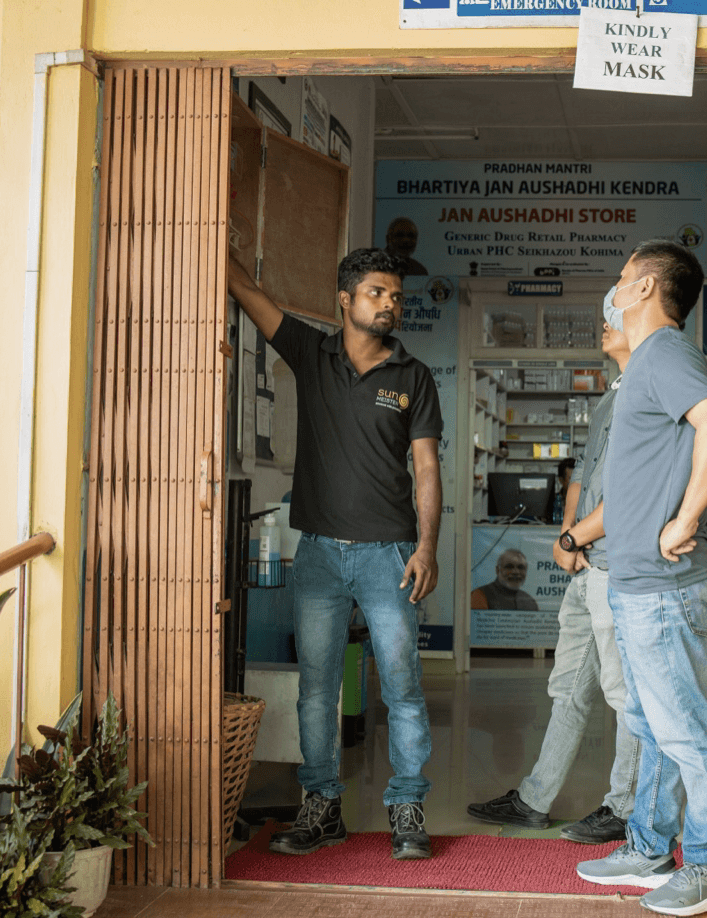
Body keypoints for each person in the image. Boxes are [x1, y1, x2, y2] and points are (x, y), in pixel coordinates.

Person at [226, 247, 442, 861]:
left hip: (391, 555)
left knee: (402, 687)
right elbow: (244, 287)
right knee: (317, 690)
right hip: (319, 554)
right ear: (344, 299)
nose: (390, 304)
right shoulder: (309, 352)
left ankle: (406, 807)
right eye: (377, 292)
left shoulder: (414, 376)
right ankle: (321, 808)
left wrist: (427, 546)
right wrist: (213, 221)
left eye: (396, 295)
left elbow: (426, 468)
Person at [575, 240, 707, 915]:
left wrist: (687, 521)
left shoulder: (667, 350)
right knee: (651, 723)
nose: (612, 291)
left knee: (686, 728)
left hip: (665, 583)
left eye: (620, 279)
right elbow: (699, 445)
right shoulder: (646, 363)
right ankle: (649, 847)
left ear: (645, 287)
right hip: (638, 580)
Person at [468, 323, 641, 845]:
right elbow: (582, 477)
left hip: (618, 567)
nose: (606, 323)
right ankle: (534, 799)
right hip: (587, 566)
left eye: (618, 313)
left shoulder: (649, 391)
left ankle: (626, 807)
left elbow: (635, 492)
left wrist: (578, 541)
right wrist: (569, 538)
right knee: (567, 688)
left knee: (625, 697)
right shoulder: (610, 399)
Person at [470, 548, 539, 611]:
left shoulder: (530, 601)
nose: (516, 572)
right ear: (497, 570)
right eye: (509, 567)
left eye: (520, 567)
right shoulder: (480, 595)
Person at [551, 457, 575, 525]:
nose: (576, 482)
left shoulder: (586, 502)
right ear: (561, 480)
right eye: (571, 479)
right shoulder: (553, 501)